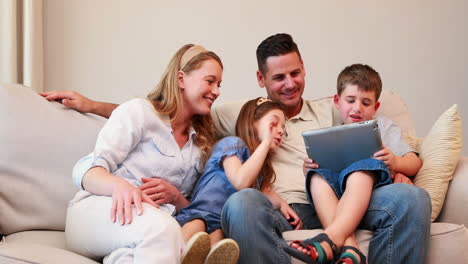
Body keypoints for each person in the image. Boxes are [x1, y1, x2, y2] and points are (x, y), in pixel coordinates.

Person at [41, 33, 432, 264]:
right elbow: (162, 108)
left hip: (338, 200)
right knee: (240, 205)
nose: (290, 84)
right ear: (261, 80)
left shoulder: (334, 107)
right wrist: (93, 105)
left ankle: (341, 245)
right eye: (279, 77)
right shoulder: (240, 113)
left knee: (411, 200)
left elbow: (367, 120)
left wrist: (399, 163)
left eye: (296, 74)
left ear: (305, 72)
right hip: (280, 209)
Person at [64, 44, 224, 264]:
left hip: (140, 228)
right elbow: (88, 172)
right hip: (96, 212)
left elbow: (190, 210)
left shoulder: (201, 145)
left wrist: (176, 197)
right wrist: (121, 186)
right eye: (210, 81)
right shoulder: (139, 112)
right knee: (163, 230)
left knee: (130, 256)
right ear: (180, 79)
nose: (217, 91)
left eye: (219, 84)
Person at [286, 64, 423, 264]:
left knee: (361, 169)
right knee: (316, 176)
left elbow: (415, 162)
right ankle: (351, 249)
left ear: (375, 107)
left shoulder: (382, 126)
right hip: (340, 198)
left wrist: (396, 161)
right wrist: (308, 168)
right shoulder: (331, 133)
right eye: (350, 100)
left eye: (366, 103)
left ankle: (330, 240)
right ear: (337, 101)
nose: (357, 108)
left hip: (373, 193)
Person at [177, 97, 300, 264]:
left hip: (223, 223)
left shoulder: (258, 171)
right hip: (202, 213)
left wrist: (283, 205)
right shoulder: (233, 144)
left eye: (283, 128)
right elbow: (240, 181)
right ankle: (177, 255)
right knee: (198, 228)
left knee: (221, 245)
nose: (280, 131)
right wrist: (265, 141)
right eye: (274, 123)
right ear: (252, 122)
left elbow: (265, 192)